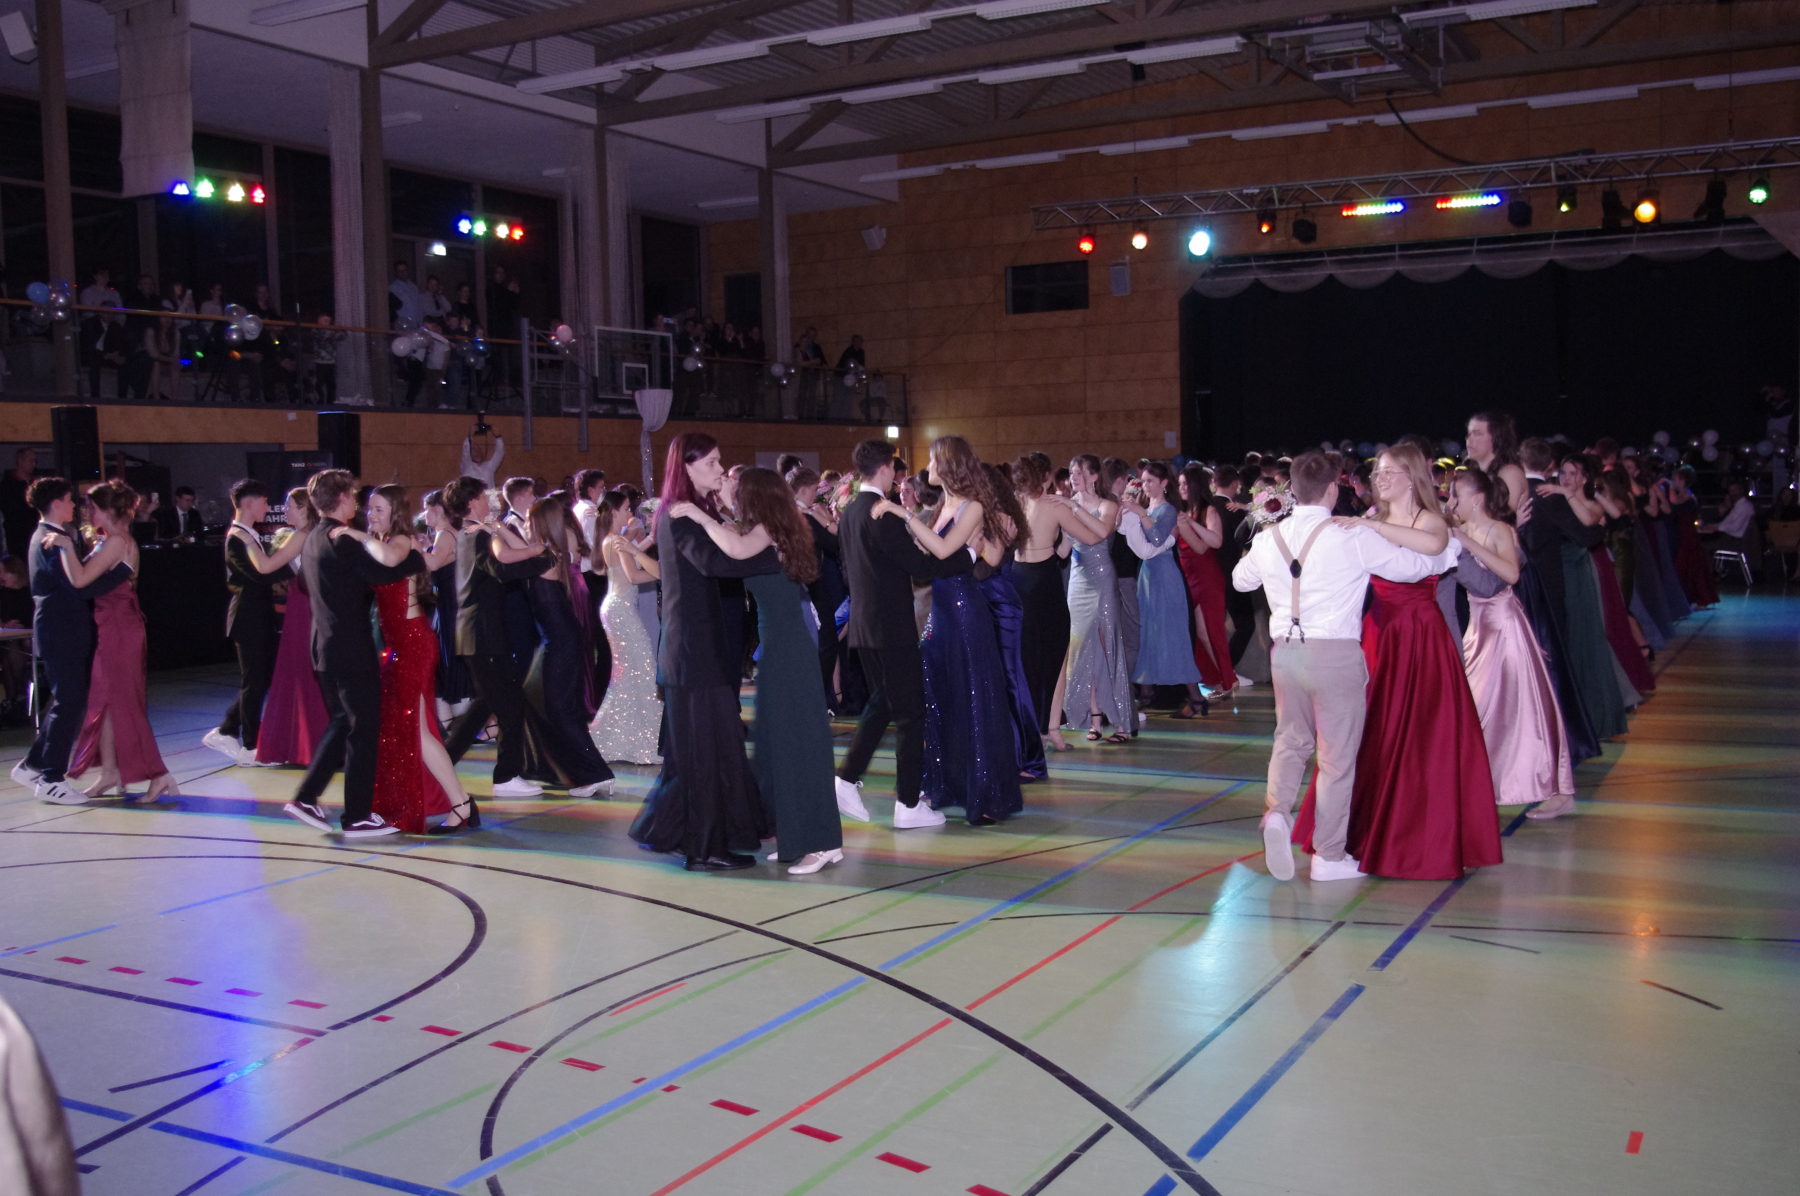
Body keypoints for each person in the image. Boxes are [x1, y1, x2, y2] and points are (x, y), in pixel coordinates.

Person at [1234, 451, 1453, 883]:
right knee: (1336, 759)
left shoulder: (1271, 537)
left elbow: (1241, 581)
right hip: (1334, 655)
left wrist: (1268, 547)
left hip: (1286, 654)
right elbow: (1412, 569)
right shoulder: (1350, 535)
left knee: (1290, 740)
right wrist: (1446, 556)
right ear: (1333, 488)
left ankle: (1277, 813)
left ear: (1293, 489)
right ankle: (1329, 857)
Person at [1317, 444, 1502, 880]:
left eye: (1389, 472)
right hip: (1379, 632)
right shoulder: (1371, 517)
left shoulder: (1430, 520)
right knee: (1371, 731)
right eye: (1377, 473)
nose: (1380, 479)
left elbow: (1434, 543)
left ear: (1412, 476)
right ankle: (1359, 833)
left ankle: (1418, 838)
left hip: (1421, 635)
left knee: (1424, 736)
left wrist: (1370, 527)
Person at [672, 468, 845, 872]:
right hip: (781, 649)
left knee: (800, 746)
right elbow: (735, 535)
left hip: (789, 650)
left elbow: (734, 547)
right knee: (777, 748)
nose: (734, 497)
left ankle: (821, 842)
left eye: (739, 492)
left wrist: (700, 516)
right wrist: (717, 502)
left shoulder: (766, 531)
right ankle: (801, 836)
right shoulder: (773, 528)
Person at [630, 434, 782, 870]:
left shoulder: (692, 513)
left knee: (705, 751)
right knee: (704, 755)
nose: (720, 469)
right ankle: (703, 849)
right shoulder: (681, 517)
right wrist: (774, 554)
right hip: (692, 652)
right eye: (712, 463)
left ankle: (688, 835)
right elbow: (716, 564)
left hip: (698, 649)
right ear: (687, 467)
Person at [870, 437, 1025, 824]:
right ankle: (951, 783)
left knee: (973, 694)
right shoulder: (944, 505)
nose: (928, 467)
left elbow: (942, 551)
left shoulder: (973, 506)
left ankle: (983, 793)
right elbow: (929, 553)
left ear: (950, 464)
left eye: (933, 459)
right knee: (942, 695)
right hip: (940, 609)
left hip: (963, 609)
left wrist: (903, 514)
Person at [836, 439, 979, 828]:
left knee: (884, 703)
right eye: (895, 470)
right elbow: (921, 568)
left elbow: (850, 571)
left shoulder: (850, 512)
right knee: (911, 714)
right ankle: (908, 805)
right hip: (891, 628)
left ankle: (847, 779)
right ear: (885, 469)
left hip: (864, 627)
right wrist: (969, 555)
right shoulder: (882, 514)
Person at [280, 470, 424, 837]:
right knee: (362, 729)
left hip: (324, 647)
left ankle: (306, 797)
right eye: (355, 496)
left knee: (344, 722)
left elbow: (307, 582)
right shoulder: (341, 539)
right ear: (343, 498)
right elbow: (380, 575)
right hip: (349, 649)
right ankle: (356, 815)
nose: (358, 504)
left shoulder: (313, 538)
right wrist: (416, 555)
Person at [332, 486, 474, 833]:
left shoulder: (400, 540)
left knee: (417, 730)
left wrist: (355, 534)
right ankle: (453, 802)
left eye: (379, 509)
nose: (372, 515)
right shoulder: (384, 541)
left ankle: (461, 803)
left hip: (413, 644)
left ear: (395, 511)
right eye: (370, 509)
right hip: (398, 645)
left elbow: (393, 558)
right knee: (405, 729)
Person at [441, 477, 589, 800]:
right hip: (483, 634)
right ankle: (506, 777)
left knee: (484, 707)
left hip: (474, 634)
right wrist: (542, 557)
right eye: (484, 496)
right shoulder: (478, 533)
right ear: (473, 501)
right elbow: (501, 569)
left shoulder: (468, 533)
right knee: (510, 708)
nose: (488, 500)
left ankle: (441, 765)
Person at [1448, 467, 1576, 818]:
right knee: (1478, 710)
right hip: (1477, 628)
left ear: (1476, 499)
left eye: (1456, 495)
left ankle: (1557, 789)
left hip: (1504, 626)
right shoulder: (1459, 530)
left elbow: (1511, 574)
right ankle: (1480, 785)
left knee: (1525, 709)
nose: (1451, 501)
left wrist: (1468, 544)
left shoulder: (1499, 530)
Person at [49, 483, 173, 802]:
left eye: (91, 507)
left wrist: (66, 546)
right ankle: (110, 772)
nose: (87, 512)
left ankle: (158, 775)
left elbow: (80, 581)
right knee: (103, 702)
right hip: (111, 626)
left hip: (120, 628)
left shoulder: (117, 542)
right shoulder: (110, 540)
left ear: (106, 510)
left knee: (125, 703)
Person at [13, 478, 131, 805]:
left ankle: (33, 765)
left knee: (67, 700)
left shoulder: (49, 535)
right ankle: (51, 779)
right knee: (69, 702)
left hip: (59, 628)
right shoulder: (53, 539)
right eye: (69, 500)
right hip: (60, 630)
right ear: (56, 504)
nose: (74, 506)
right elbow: (79, 587)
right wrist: (120, 572)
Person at [1516, 438, 1607, 763]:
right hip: (1547, 586)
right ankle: (1555, 733)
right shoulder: (1547, 495)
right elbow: (1589, 535)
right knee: (1551, 656)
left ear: (1520, 461)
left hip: (1513, 586)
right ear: (1551, 465)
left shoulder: (1511, 491)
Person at [203, 480, 306, 767]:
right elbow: (260, 575)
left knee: (259, 679)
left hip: (258, 616)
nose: (268, 507)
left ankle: (227, 730)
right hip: (248, 618)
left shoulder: (248, 535)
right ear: (249, 503)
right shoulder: (237, 538)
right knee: (255, 681)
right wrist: (293, 561)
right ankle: (249, 745)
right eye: (264, 501)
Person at [521, 495, 616, 794]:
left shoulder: (545, 557)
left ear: (540, 523)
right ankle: (589, 772)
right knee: (560, 708)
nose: (525, 525)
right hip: (563, 639)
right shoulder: (550, 553)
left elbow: (508, 554)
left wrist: (495, 531)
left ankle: (595, 774)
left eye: (530, 521)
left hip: (562, 642)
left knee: (561, 709)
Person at [1010, 454, 1106, 751]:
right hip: (1043, 582)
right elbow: (1094, 537)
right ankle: (1047, 729)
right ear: (1047, 476)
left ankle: (1039, 730)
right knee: (1054, 657)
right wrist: (1074, 507)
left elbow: (1063, 549)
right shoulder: (1054, 505)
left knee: (1026, 659)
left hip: (1018, 579)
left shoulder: (1015, 503)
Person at [1117, 463, 1206, 716]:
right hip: (1148, 575)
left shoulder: (1168, 510)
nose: (1145, 486)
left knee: (1173, 636)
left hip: (1166, 577)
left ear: (1164, 483)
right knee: (1147, 633)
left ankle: (1196, 698)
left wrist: (1140, 514)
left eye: (1150, 481)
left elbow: (1156, 539)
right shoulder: (1148, 509)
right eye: (1143, 481)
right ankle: (1147, 692)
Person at [977, 462, 1046, 781]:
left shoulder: (1001, 516)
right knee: (995, 682)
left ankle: (1030, 760)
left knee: (1011, 679)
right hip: (985, 601)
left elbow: (987, 565)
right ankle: (1006, 755)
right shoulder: (982, 514)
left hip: (1001, 603)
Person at [253, 489, 329, 767]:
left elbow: (266, 566)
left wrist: (245, 540)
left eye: (290, 507)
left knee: (299, 672)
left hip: (302, 608)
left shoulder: (301, 536)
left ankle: (303, 746)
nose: (285, 511)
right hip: (311, 606)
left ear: (304, 509)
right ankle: (314, 743)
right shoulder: (317, 533)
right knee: (309, 673)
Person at [1063, 453, 1133, 743]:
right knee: (1081, 649)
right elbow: (1063, 549)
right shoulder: (1069, 505)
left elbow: (1102, 531)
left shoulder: (1108, 505)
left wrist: (1072, 508)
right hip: (1077, 580)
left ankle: (1122, 723)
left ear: (1094, 476)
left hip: (1102, 578)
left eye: (1079, 472)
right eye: (1071, 473)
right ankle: (1094, 719)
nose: (1074, 478)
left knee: (1107, 645)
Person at [590, 493, 663, 765]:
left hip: (615, 607)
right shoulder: (616, 540)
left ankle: (623, 736)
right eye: (626, 509)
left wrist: (649, 540)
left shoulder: (611, 539)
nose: (630, 513)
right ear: (613, 513)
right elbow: (634, 575)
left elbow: (629, 559)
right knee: (642, 670)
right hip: (621, 610)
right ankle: (643, 740)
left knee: (629, 674)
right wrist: (663, 572)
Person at [1174, 464, 1237, 701]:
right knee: (1200, 632)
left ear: (1195, 485)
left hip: (1207, 575)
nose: (1181, 488)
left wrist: (1191, 524)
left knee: (1214, 631)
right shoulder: (1182, 511)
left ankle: (1228, 681)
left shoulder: (1208, 510)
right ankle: (1222, 678)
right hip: (1188, 574)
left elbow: (1215, 541)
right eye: (1179, 484)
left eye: (1185, 484)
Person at [1103, 458, 1144, 690]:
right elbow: (1142, 549)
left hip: (1100, 579)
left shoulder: (1097, 505)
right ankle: (1123, 692)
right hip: (1124, 578)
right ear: (1120, 480)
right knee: (1132, 636)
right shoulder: (1123, 509)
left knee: (1110, 638)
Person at [1465, 411, 1530, 515]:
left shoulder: (1510, 473)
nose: (1469, 439)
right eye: (1469, 434)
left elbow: (1504, 519)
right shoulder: (1473, 471)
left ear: (1497, 438)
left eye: (1477, 434)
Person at [0, 448, 39, 559]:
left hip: (35, 533)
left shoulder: (36, 484)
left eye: (34, 461)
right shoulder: (7, 486)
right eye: (30, 460)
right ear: (20, 461)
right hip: (17, 537)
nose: (33, 464)